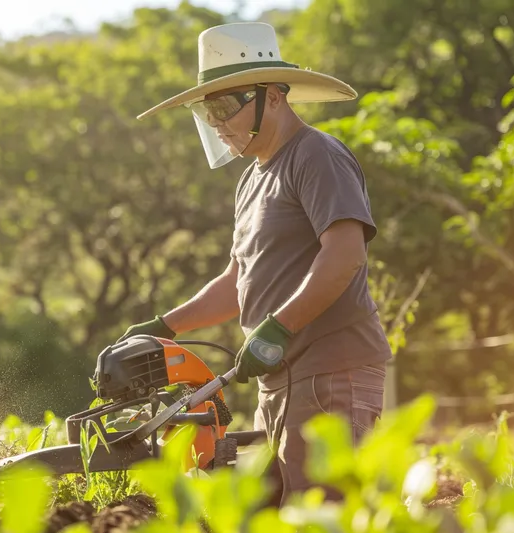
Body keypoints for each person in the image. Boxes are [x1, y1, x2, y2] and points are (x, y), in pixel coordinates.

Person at [116, 22, 392, 506]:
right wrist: (165, 327)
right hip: (280, 379)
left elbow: (345, 255)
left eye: (224, 106)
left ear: (273, 97)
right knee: (264, 512)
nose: (217, 122)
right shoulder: (251, 180)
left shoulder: (316, 155)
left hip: (331, 372)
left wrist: (279, 328)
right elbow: (239, 279)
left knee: (320, 513)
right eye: (208, 110)